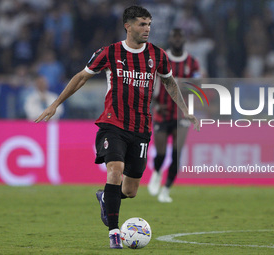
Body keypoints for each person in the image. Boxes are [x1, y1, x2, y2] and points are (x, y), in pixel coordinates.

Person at [35, 6, 199, 249]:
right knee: (115, 170)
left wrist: (185, 109)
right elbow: (81, 77)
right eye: (142, 24)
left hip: (141, 127)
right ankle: (114, 233)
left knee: (130, 190)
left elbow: (169, 82)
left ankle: (105, 197)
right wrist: (55, 104)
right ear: (128, 26)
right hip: (113, 123)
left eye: (149, 24)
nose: (147, 29)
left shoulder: (158, 55)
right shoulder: (109, 53)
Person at [148, 28, 201, 203]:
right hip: (162, 112)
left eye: (180, 37)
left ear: (184, 40)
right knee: (161, 154)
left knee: (177, 154)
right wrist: (155, 104)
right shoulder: (161, 59)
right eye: (174, 37)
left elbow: (197, 86)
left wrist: (181, 85)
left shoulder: (192, 62)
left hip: (182, 115)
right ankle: (156, 173)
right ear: (170, 40)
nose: (177, 40)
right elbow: (150, 84)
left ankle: (166, 190)